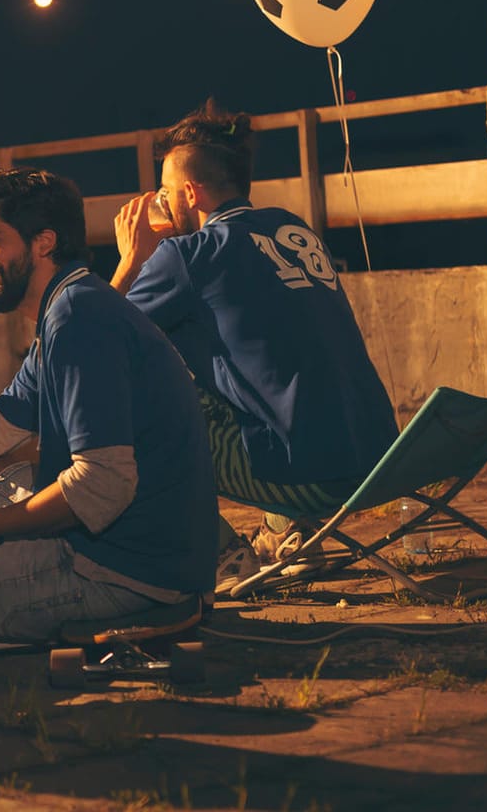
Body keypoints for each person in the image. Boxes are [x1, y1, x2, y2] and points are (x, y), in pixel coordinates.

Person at [0, 169, 217, 642]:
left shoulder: (78, 316)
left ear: (43, 242)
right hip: (146, 563)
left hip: (123, 576)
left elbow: (102, 485)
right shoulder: (67, 309)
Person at [110, 104, 398, 575]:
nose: (160, 203)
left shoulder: (188, 255)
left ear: (190, 193)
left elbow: (90, 339)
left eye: (164, 193)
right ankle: (290, 530)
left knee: (133, 412)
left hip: (310, 476)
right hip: (376, 458)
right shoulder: (291, 228)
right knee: (210, 376)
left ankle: (224, 554)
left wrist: (130, 260)